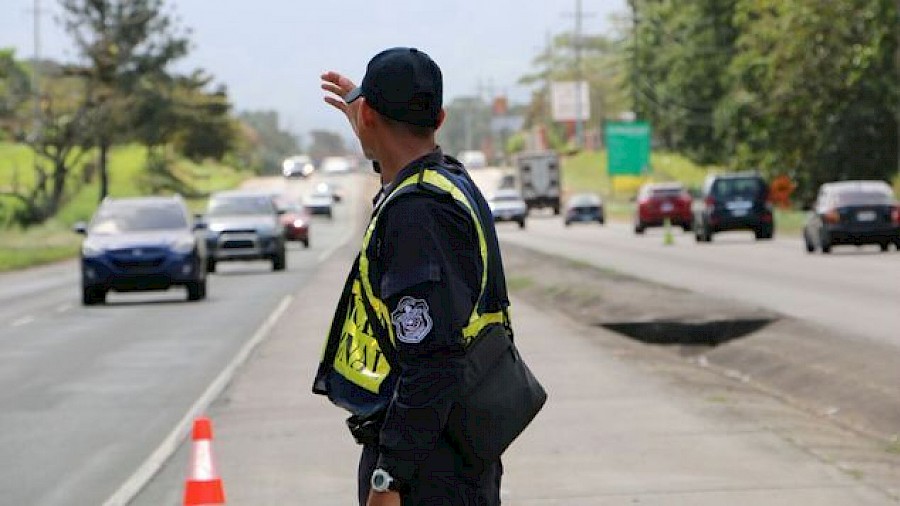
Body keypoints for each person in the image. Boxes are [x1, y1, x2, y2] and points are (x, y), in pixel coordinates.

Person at [313, 47, 513, 506]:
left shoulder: (418, 214)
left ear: (368, 115)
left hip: (426, 471)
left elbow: (433, 361)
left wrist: (389, 478)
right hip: (453, 455)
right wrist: (367, 128)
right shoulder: (448, 184)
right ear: (439, 117)